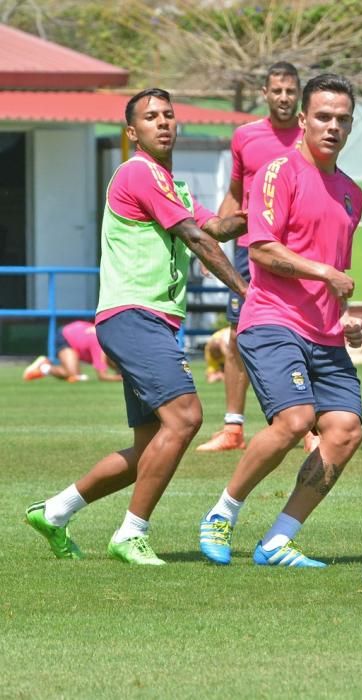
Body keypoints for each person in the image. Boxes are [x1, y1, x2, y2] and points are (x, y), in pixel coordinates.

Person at [25, 87, 248, 566]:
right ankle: (131, 534)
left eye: (168, 115)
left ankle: (55, 511)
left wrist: (266, 216)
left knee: (149, 449)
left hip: (149, 321)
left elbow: (217, 228)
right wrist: (245, 291)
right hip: (134, 315)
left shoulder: (175, 187)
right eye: (151, 117)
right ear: (133, 132)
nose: (163, 122)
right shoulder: (137, 172)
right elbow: (193, 237)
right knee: (186, 418)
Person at [199, 73, 362, 568]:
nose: (332, 126)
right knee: (295, 420)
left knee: (345, 430)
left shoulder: (353, 194)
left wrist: (347, 320)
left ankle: (277, 540)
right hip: (271, 321)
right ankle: (222, 514)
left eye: (342, 119)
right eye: (323, 117)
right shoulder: (278, 172)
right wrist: (325, 273)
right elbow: (264, 250)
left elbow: (334, 273)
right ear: (303, 120)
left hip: (325, 333)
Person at [197, 61, 306, 452]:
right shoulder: (245, 136)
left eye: (290, 90)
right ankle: (233, 428)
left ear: (299, 93)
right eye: (277, 90)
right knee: (238, 334)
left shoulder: (310, 134)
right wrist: (211, 243)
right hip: (249, 251)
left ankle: (307, 428)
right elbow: (235, 190)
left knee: (302, 331)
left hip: (297, 251)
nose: (283, 97)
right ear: (265, 93)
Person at [22, 320, 122, 382]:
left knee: (76, 376)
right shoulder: (99, 347)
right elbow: (102, 376)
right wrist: (121, 378)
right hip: (65, 336)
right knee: (72, 374)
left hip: (78, 331)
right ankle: (44, 366)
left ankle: (47, 366)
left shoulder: (106, 342)